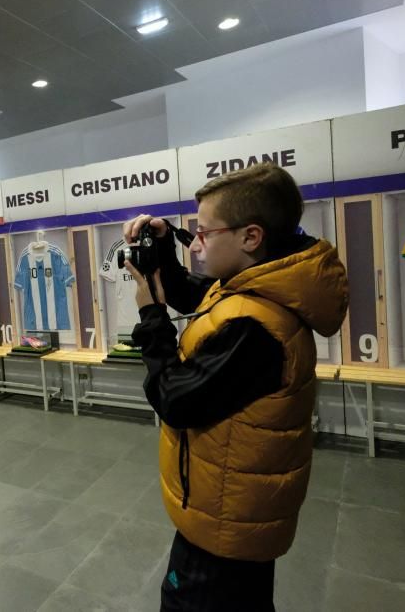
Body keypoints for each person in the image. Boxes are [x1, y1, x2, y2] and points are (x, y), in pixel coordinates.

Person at [123, 163, 348, 611]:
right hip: (231, 508)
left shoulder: (255, 326)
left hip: (226, 525)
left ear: (251, 237)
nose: (198, 243)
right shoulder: (257, 285)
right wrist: (165, 247)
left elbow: (173, 399)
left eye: (204, 233)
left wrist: (151, 317)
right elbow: (197, 297)